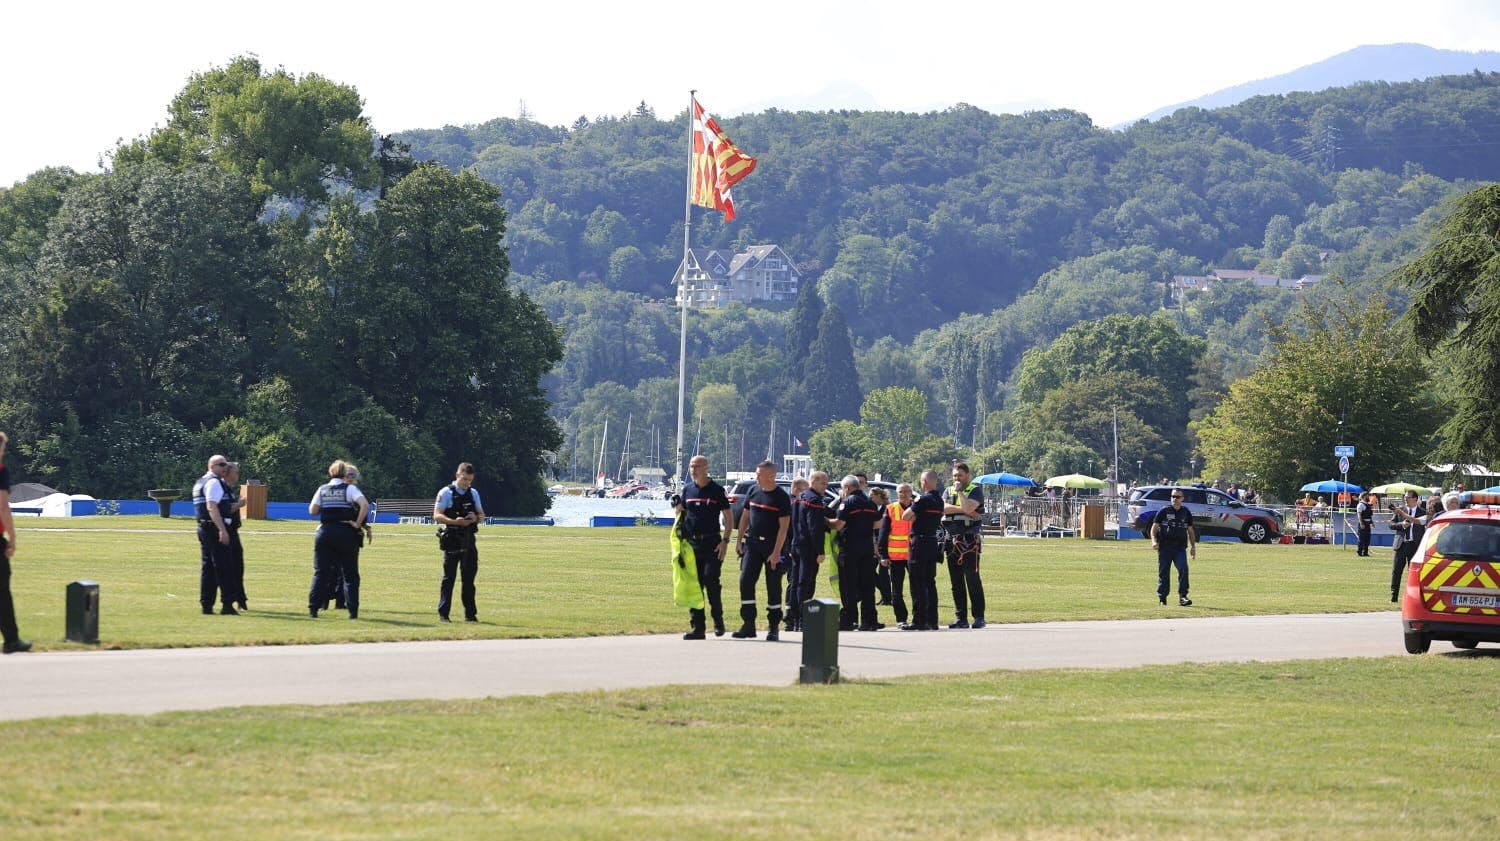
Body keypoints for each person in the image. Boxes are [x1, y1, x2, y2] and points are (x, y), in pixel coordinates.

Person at [673, 455, 731, 639]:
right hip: (691, 545)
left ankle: (718, 621)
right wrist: (677, 508)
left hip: (712, 543)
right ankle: (698, 628)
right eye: (691, 466)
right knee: (694, 585)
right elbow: (682, 515)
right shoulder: (688, 490)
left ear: (706, 468)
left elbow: (728, 517)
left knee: (711, 580)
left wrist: (725, 541)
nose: (693, 470)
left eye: (697, 466)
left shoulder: (716, 490)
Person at [732, 461, 791, 640]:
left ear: (771, 476)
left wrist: (776, 552)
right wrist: (739, 540)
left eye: (759, 474)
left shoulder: (781, 497)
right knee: (745, 581)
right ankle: (748, 624)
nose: (756, 476)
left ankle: (773, 627)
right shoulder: (753, 491)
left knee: (773, 585)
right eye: (756, 473)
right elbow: (745, 516)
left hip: (773, 546)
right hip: (753, 544)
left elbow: (784, 527)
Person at [309, 460, 368, 619]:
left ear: (330, 473)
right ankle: (352, 611)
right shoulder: (349, 489)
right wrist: (357, 524)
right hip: (345, 532)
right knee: (350, 574)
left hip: (325, 532)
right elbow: (364, 505)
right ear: (344, 474)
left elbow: (313, 510)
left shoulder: (322, 489)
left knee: (321, 572)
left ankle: (313, 608)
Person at [434, 462, 486, 623]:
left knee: (469, 579)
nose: (467, 483)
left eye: (470, 480)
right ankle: (444, 614)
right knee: (448, 578)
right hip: (452, 538)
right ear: (457, 475)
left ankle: (470, 615)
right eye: (464, 479)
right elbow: (437, 515)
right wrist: (454, 521)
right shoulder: (446, 493)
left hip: (469, 540)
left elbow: (482, 516)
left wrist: (475, 518)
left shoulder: (473, 493)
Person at [830, 475, 882, 631]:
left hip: (850, 548)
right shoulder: (870, 503)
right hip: (866, 547)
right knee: (867, 585)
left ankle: (849, 620)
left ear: (847, 488)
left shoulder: (847, 502)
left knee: (848, 584)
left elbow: (839, 525)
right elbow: (877, 523)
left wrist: (825, 520)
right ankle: (869, 621)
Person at [191, 455, 238, 615]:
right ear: (211, 466)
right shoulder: (214, 482)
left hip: (204, 528)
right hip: (213, 529)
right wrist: (222, 530)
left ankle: (207, 605)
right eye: (221, 464)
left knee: (209, 568)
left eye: (226, 464)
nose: (225, 467)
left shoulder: (200, 482)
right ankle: (227, 605)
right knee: (224, 567)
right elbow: (212, 507)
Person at [941, 462, 986, 629]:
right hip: (951, 541)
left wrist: (960, 494)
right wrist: (963, 510)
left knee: (972, 579)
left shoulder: (975, 490)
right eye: (954, 476)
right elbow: (943, 509)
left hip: (969, 541)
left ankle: (979, 617)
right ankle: (961, 618)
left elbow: (968, 507)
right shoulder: (948, 491)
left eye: (960, 475)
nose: (957, 479)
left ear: (967, 475)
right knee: (956, 582)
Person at [786, 471, 831, 633]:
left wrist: (790, 545)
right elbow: (815, 527)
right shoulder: (814, 501)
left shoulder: (799, 498)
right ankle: (802, 619)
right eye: (823, 483)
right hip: (809, 547)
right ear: (814, 482)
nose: (825, 487)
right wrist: (820, 550)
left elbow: (792, 523)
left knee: (796, 582)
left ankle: (792, 618)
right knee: (806, 583)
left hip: (796, 544)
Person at [901, 470, 946, 631]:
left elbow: (906, 516)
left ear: (924, 482)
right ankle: (932, 620)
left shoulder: (923, 499)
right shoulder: (939, 500)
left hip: (919, 542)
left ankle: (918, 620)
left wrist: (912, 508)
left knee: (917, 582)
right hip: (932, 541)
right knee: (930, 582)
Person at [0, 431, 30, 653]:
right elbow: (2, 506)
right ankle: (11, 640)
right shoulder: (1, 471)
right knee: (2, 592)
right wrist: (12, 537)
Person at [1150, 488, 1197, 606]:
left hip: (1180, 548)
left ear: (1182, 499)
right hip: (1165, 547)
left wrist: (1193, 547)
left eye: (1177, 497)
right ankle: (1162, 598)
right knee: (1164, 572)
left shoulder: (1186, 512)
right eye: (1173, 496)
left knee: (1183, 569)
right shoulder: (1164, 511)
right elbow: (1154, 528)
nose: (1174, 499)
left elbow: (1190, 531)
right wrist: (1154, 541)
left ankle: (1183, 597)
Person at [878, 483, 913, 628]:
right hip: (895, 556)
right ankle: (901, 619)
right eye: (900, 492)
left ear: (911, 493)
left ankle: (919, 618)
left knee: (917, 588)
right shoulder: (891, 508)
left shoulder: (917, 507)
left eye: (906, 491)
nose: (903, 494)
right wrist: (883, 555)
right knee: (897, 590)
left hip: (913, 556)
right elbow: (883, 533)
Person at [780, 476, 810, 633]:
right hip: (792, 548)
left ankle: (791, 616)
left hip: (789, 547)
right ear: (797, 489)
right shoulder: (794, 504)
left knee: (793, 582)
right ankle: (791, 616)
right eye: (805, 490)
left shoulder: (790, 502)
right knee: (794, 582)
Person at [1389, 489, 1426, 603]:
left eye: (1408, 497)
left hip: (1415, 545)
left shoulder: (1423, 512)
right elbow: (1391, 524)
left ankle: (1412, 597)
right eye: (1404, 497)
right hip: (1401, 545)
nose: (1405, 499)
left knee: (1413, 573)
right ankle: (1393, 596)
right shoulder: (1400, 510)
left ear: (1415, 499)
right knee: (1396, 571)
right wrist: (1402, 525)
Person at [223, 462, 249, 611]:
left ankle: (240, 599)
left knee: (238, 567)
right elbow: (225, 509)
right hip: (227, 532)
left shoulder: (229, 489)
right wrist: (240, 504)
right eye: (236, 472)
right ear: (228, 473)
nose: (238, 474)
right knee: (232, 567)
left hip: (233, 531)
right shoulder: (222, 489)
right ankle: (235, 600)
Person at [1355, 492, 1375, 557]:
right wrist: (1361, 523)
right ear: (1364, 497)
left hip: (1368, 524)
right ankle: (1359, 552)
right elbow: (1359, 515)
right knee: (1361, 539)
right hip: (1363, 523)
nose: (1369, 497)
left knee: (1367, 539)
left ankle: (1365, 552)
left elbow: (1369, 515)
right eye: (1367, 496)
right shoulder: (1360, 505)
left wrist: (1372, 522)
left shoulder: (1368, 505)